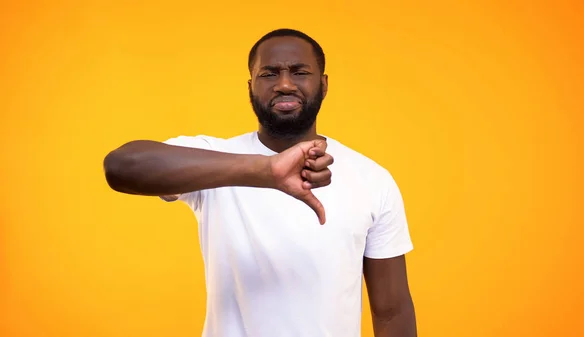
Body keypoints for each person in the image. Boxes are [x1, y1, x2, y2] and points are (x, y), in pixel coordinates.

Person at [103, 28, 417, 337]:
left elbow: (392, 310)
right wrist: (265, 171)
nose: (284, 84)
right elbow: (122, 166)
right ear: (251, 86)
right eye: (269, 74)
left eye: (299, 72)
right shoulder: (214, 159)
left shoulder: (372, 179)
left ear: (323, 85)